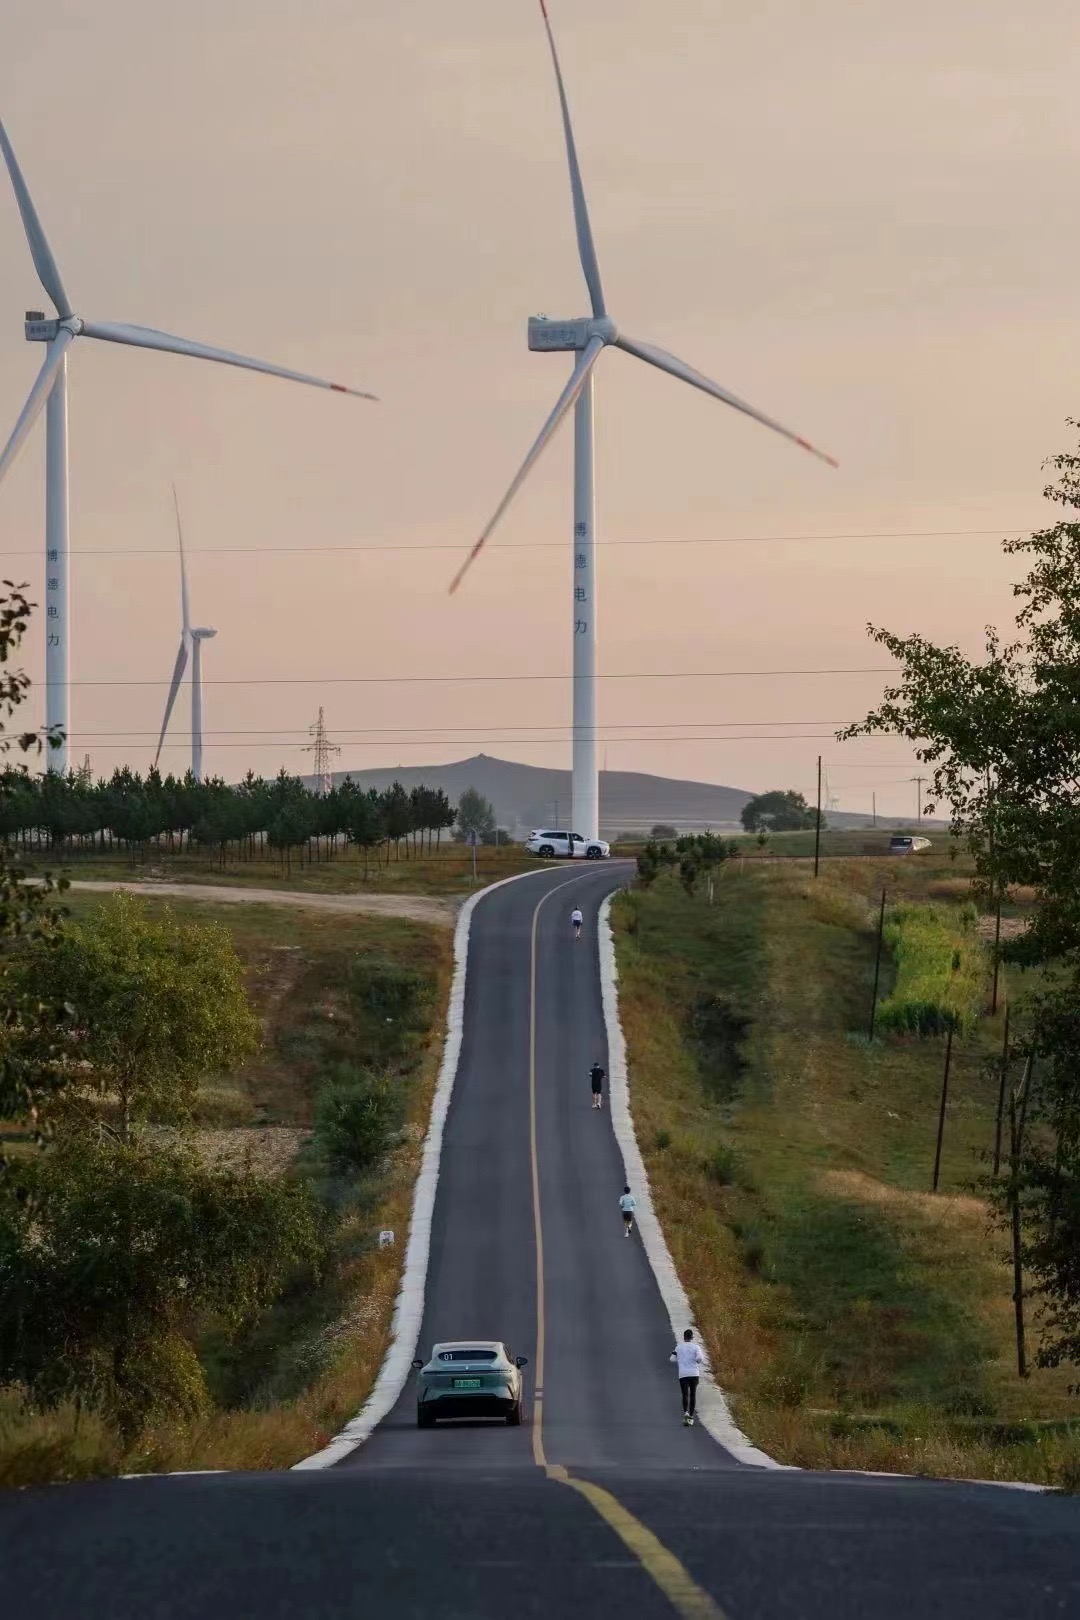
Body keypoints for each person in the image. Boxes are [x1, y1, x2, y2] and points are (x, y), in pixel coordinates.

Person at [670, 1327, 705, 1426]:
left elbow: (672, 1359)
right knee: (693, 1394)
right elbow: (699, 1358)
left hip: (683, 1374)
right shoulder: (696, 1347)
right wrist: (696, 1361)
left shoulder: (678, 1347)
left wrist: (681, 1359)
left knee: (685, 1394)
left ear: (684, 1337)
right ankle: (691, 1416)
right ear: (692, 1337)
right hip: (694, 1373)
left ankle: (685, 1413)